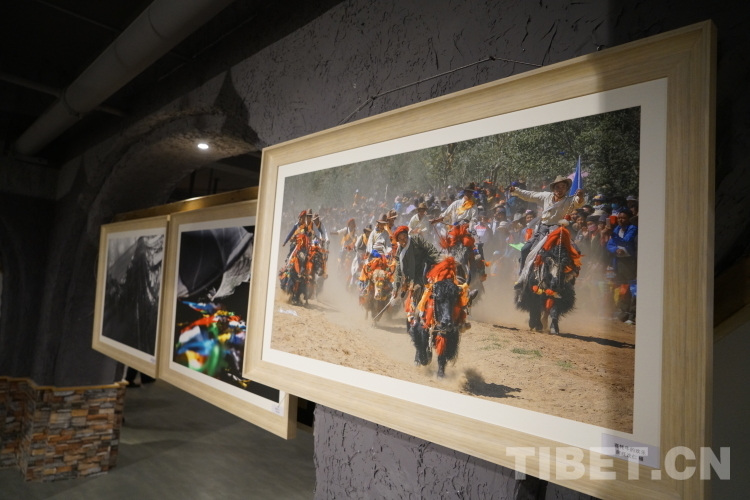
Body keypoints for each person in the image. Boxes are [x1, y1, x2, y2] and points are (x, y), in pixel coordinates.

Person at [510, 175, 585, 281]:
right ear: (553, 188)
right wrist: (516, 190)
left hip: (559, 229)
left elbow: (578, 202)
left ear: (566, 189)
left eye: (563, 187)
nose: (560, 190)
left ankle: (571, 275)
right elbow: (530, 195)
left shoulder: (570, 200)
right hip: (542, 228)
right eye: (557, 187)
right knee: (525, 249)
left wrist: (580, 196)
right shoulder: (545, 196)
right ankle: (523, 274)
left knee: (576, 250)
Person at [606, 209, 637, 324]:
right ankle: (623, 313)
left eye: (623, 218)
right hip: (619, 261)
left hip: (630, 261)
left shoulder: (633, 228)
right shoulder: (617, 229)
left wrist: (612, 235)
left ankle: (631, 315)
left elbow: (626, 241)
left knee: (632, 288)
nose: (621, 220)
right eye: (619, 218)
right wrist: (616, 249)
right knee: (622, 287)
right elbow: (610, 245)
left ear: (629, 219)